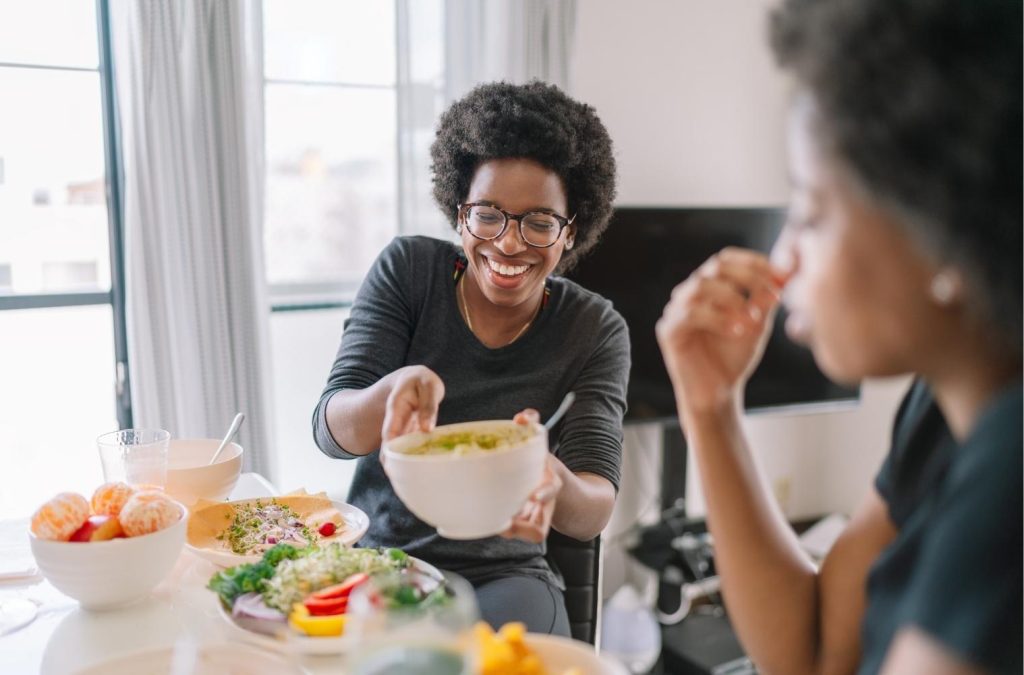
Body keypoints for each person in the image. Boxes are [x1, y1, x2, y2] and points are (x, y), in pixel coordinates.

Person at [655, 0, 1021, 673]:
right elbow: (817, 649)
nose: (783, 257)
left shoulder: (1009, 477)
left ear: (945, 225)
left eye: (811, 213)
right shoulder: (941, 406)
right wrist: (709, 407)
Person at [312, 81, 629, 636]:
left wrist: (546, 474)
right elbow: (331, 431)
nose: (508, 244)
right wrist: (391, 391)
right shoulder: (409, 272)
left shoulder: (593, 328)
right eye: (488, 215)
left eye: (539, 221)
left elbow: (593, 508)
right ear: (460, 214)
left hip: (507, 574)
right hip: (386, 562)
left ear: (570, 230)